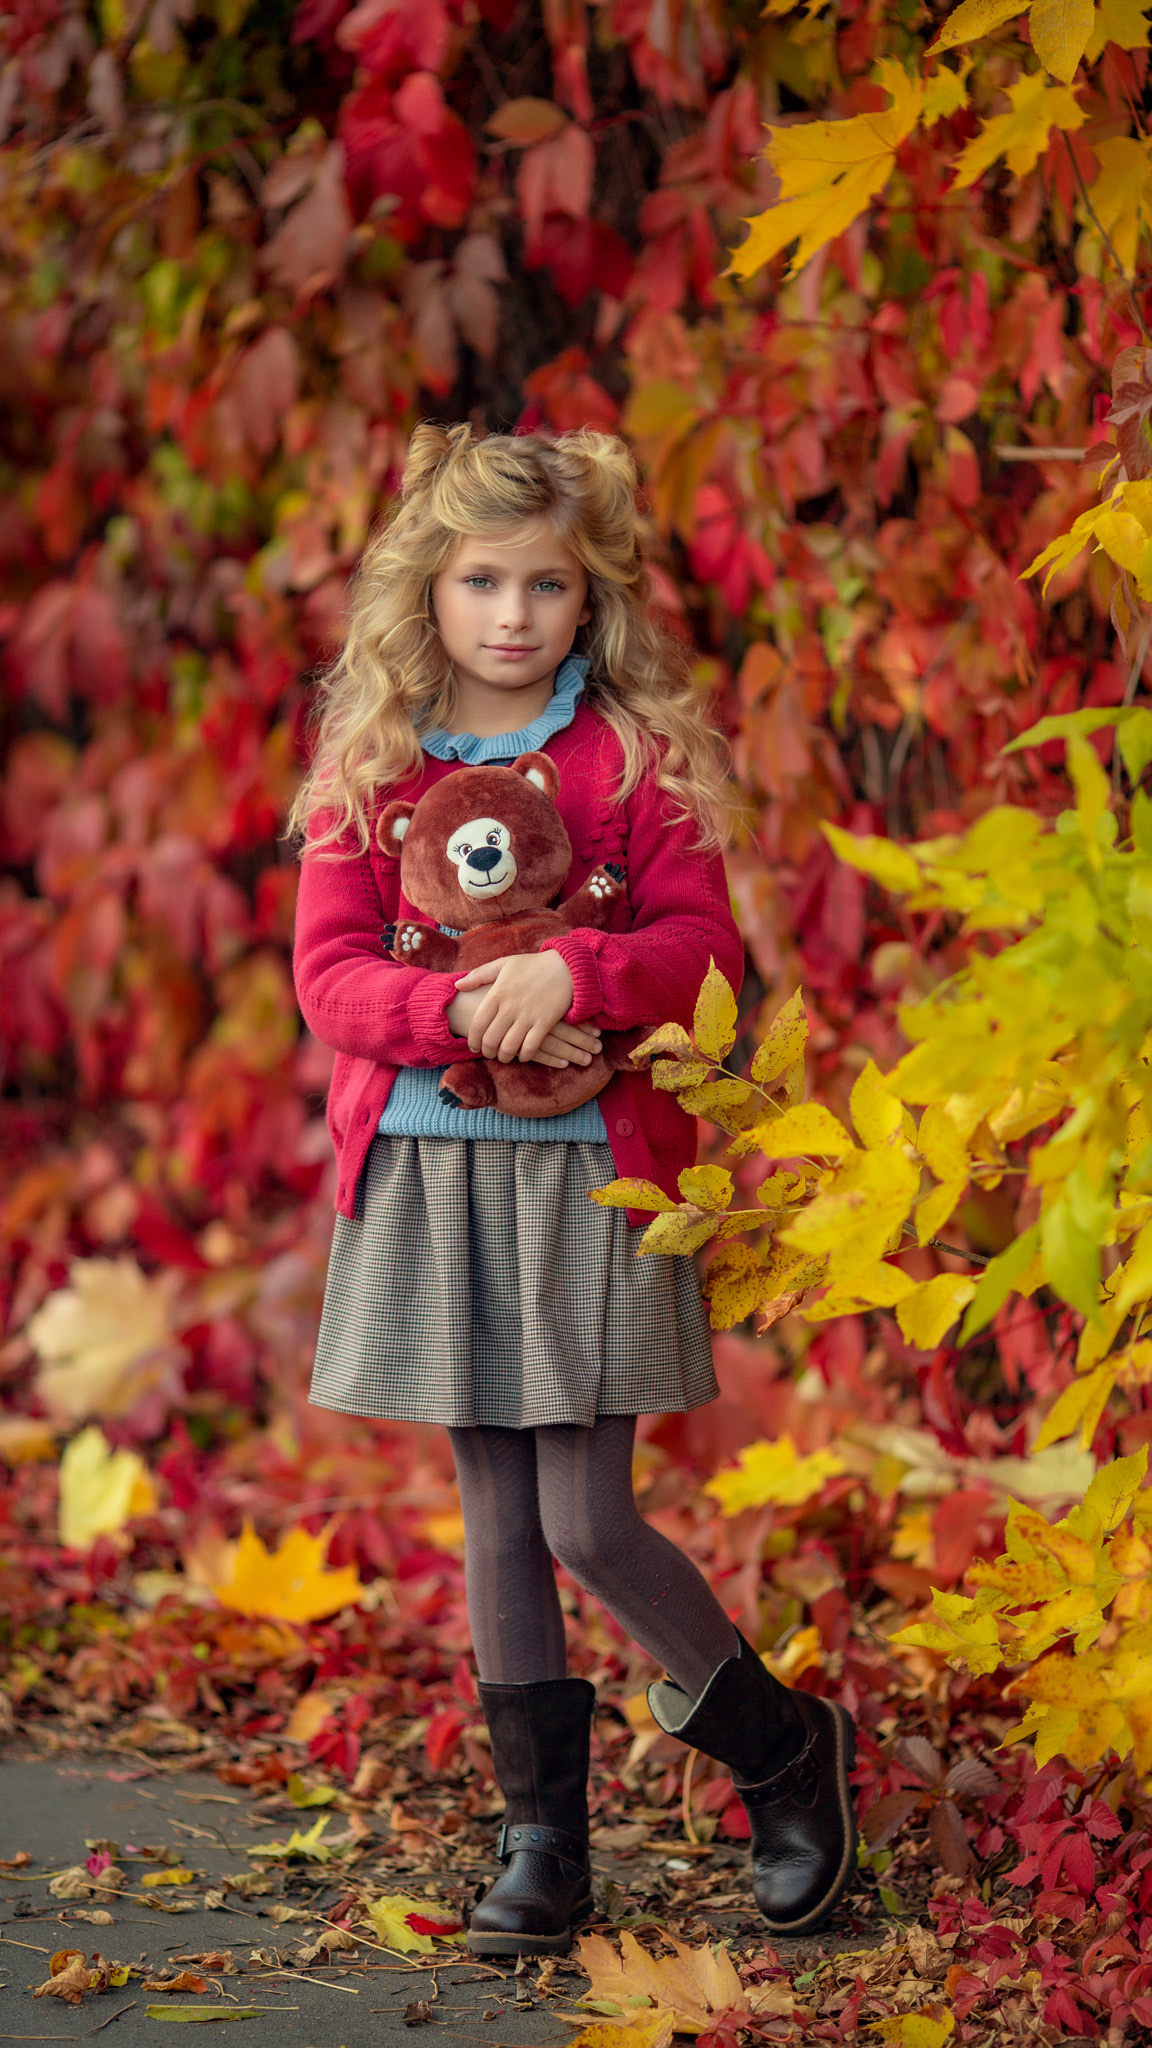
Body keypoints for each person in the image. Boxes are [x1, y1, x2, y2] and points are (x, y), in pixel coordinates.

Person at [289, 423, 857, 1955]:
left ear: (592, 594)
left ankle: (781, 1750)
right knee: (493, 1512)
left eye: (547, 583)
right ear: (432, 587)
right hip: (430, 1163)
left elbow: (701, 955)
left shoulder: (636, 759)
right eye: (482, 580)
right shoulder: (375, 764)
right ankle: (543, 1844)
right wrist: (455, 1010)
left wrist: (573, 969)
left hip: (600, 1174)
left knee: (588, 1515)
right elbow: (329, 975)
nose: (513, 615)